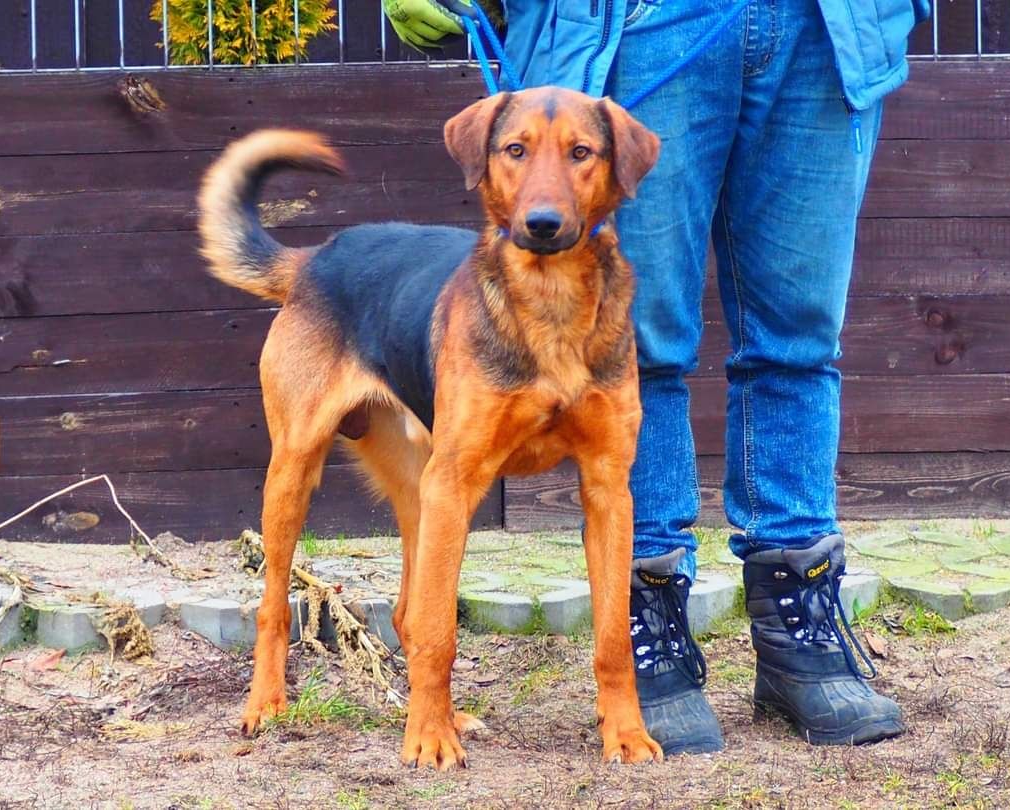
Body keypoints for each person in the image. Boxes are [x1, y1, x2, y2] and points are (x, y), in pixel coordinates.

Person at [384, 0, 929, 753]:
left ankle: (799, 629)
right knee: (653, 341)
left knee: (801, 339)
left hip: (828, 24)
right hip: (641, 22)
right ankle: (654, 629)